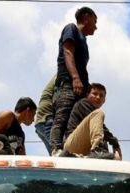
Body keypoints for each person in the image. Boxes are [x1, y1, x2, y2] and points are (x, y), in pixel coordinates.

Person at [49, 7, 98, 156]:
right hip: (68, 85)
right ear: (86, 17)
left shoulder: (84, 41)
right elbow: (68, 52)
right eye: (95, 22)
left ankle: (69, 150)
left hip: (80, 88)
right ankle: (56, 149)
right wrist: (75, 79)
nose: (96, 27)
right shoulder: (71, 29)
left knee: (75, 121)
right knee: (62, 117)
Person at [59, 83, 121, 159]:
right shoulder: (83, 104)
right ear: (87, 95)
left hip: (84, 150)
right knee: (99, 113)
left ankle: (97, 152)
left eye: (101, 96)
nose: (98, 97)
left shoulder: (95, 120)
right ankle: (97, 150)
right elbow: (104, 130)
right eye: (95, 94)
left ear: (104, 100)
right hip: (73, 145)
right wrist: (114, 142)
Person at [35, 75, 57, 152]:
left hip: (41, 122)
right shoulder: (63, 76)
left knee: (56, 156)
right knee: (61, 153)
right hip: (47, 120)